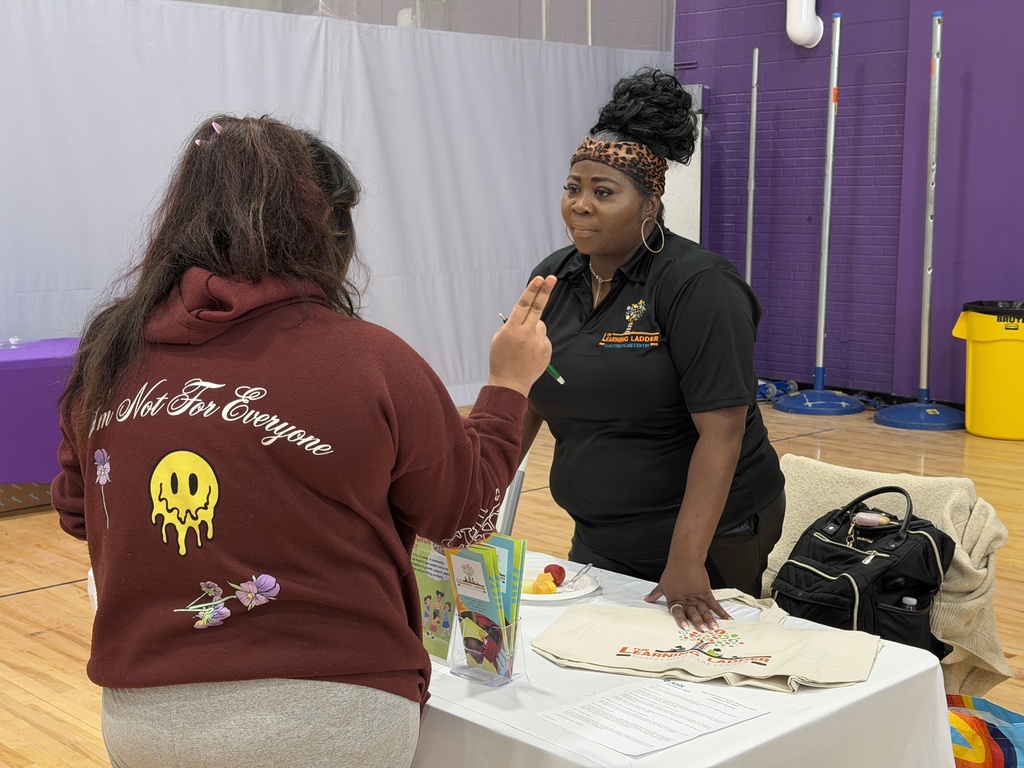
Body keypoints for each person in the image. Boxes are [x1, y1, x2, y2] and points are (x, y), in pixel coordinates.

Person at [50, 115, 555, 768]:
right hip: (336, 715)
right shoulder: (370, 360)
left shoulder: (109, 352)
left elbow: (76, 508)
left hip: (146, 718)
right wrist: (507, 387)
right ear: (320, 229)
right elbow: (464, 516)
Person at [520, 68, 785, 633]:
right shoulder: (553, 277)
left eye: (603, 192)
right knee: (601, 665)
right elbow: (528, 395)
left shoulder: (698, 284)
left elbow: (723, 431)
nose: (580, 206)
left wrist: (687, 560)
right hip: (601, 529)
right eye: (573, 188)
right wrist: (474, 505)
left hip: (711, 536)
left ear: (649, 203)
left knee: (699, 681)